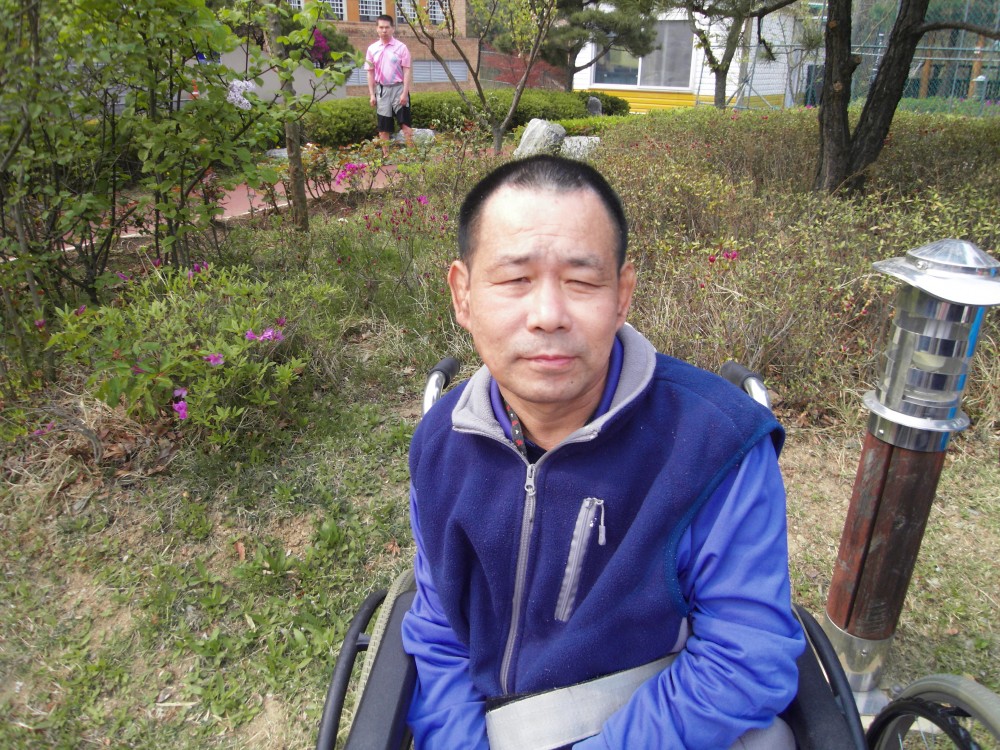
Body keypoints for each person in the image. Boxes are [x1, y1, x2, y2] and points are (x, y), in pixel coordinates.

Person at [401, 155, 805, 749]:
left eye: (582, 282)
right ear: (463, 295)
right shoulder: (441, 443)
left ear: (622, 295)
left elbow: (744, 658)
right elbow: (440, 633)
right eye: (514, 280)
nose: (547, 316)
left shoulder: (714, 445)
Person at [365, 14, 414, 158]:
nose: (384, 30)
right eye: (381, 27)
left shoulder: (401, 48)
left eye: (387, 27)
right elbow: (370, 72)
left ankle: (412, 155)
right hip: (382, 90)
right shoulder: (372, 49)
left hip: (399, 89)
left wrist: (405, 93)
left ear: (392, 28)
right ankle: (386, 156)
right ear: (377, 29)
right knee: (383, 127)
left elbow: (407, 71)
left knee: (405, 124)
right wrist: (372, 94)